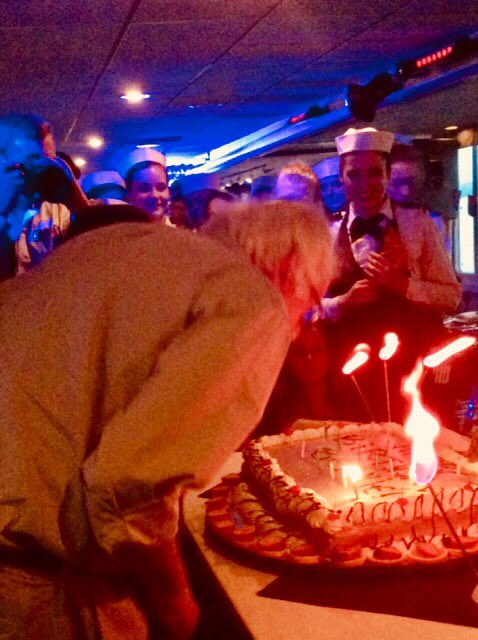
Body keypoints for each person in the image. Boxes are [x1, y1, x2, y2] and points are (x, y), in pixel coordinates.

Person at [0, 197, 334, 639]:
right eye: (310, 306)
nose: (298, 330)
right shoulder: (251, 297)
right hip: (40, 591)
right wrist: (173, 597)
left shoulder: (120, 251)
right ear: (290, 266)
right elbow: (128, 487)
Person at [321, 127, 461, 421]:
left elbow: (451, 298)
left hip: (411, 363)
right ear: (341, 176)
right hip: (351, 366)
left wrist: (402, 285)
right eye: (353, 174)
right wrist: (341, 302)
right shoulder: (329, 230)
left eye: (373, 173)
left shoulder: (417, 222)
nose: (364, 184)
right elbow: (310, 308)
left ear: (387, 173)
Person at [0, 113, 89, 279]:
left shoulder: (59, 211)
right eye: (30, 162)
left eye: (47, 161)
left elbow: (100, 254)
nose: (38, 170)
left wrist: (75, 199)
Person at [387, 142, 449, 250]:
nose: (406, 191)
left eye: (412, 182)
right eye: (396, 183)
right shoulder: (361, 220)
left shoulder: (433, 220)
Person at [122, 147, 171, 221]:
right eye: (144, 189)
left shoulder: (179, 232)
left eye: (161, 187)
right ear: (129, 195)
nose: (154, 195)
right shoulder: (120, 232)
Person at [312, 155, 347, 223]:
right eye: (323, 187)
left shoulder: (362, 221)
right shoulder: (315, 225)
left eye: (335, 185)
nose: (330, 192)